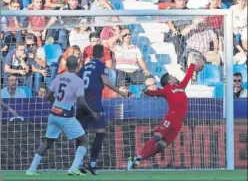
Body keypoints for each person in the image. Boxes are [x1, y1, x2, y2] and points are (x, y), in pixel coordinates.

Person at [26, 56, 98, 176]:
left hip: (53, 113)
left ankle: (31, 170)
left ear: (66, 66)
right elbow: (80, 101)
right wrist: (92, 112)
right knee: (84, 141)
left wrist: (57, 104)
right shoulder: (78, 81)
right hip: (66, 116)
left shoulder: (58, 77)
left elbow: (48, 95)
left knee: (47, 142)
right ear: (78, 65)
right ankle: (73, 168)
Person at [126, 59, 196, 170]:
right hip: (171, 118)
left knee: (161, 147)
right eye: (172, 76)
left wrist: (192, 64)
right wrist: (146, 91)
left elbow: (188, 76)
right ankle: (139, 156)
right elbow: (154, 93)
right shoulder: (166, 89)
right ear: (169, 80)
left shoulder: (182, 86)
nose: (174, 77)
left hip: (178, 123)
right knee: (157, 136)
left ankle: (137, 159)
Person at [77, 44, 127, 175]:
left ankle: (79, 163)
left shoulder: (85, 67)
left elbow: (76, 80)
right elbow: (106, 81)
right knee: (100, 132)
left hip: (81, 103)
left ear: (92, 54)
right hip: (94, 103)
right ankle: (92, 164)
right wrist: (120, 92)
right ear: (103, 55)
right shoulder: (101, 66)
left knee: (82, 134)